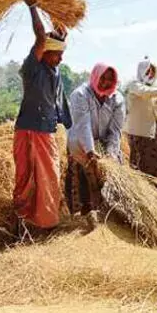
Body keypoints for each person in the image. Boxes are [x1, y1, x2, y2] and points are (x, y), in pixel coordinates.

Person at [12, 0, 72, 234]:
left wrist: (56, 13)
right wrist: (33, 6)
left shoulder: (53, 71)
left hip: (45, 130)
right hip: (27, 129)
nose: (60, 59)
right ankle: (22, 220)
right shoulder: (32, 68)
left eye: (62, 54)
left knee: (49, 177)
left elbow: (60, 32)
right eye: (56, 54)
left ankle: (46, 223)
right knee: (25, 179)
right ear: (43, 52)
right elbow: (40, 36)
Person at [64, 63, 126, 228]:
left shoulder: (118, 99)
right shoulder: (80, 95)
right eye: (102, 78)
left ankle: (110, 216)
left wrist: (111, 155)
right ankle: (84, 219)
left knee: (110, 182)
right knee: (83, 182)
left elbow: (115, 130)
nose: (105, 83)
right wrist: (91, 152)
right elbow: (83, 125)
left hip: (104, 144)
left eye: (110, 80)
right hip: (80, 144)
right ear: (95, 76)